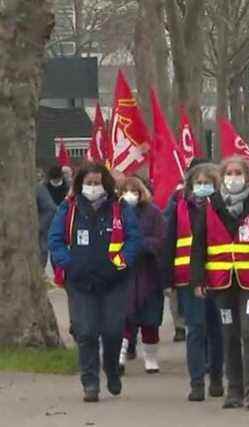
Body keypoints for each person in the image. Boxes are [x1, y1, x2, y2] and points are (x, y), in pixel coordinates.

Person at [191, 156, 249, 411]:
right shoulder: (209, 206)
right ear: (222, 177)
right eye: (228, 172)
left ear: (247, 176)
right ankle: (234, 390)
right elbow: (198, 246)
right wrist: (198, 279)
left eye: (237, 172)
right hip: (221, 284)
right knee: (229, 335)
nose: (233, 177)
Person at [48, 162, 142, 402]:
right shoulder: (68, 209)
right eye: (88, 183)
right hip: (80, 282)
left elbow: (133, 240)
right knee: (86, 332)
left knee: (112, 332)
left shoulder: (120, 209)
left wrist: (119, 264)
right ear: (80, 184)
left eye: (96, 183)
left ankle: (111, 370)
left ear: (105, 184)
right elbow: (56, 240)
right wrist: (69, 265)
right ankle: (90, 382)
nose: (92, 187)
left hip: (114, 281)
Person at [164, 162, 225, 402]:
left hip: (219, 277)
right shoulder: (180, 209)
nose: (202, 187)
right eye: (198, 183)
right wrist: (166, 278)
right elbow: (169, 242)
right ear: (190, 185)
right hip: (187, 278)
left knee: (217, 330)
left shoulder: (224, 208)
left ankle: (217, 376)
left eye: (207, 183)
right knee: (195, 330)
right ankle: (197, 382)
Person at [117, 177, 166, 375]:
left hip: (149, 272)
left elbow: (161, 238)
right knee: (124, 316)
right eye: (125, 190)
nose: (130, 195)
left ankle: (151, 357)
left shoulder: (153, 213)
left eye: (134, 191)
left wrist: (142, 245)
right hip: (124, 272)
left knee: (150, 318)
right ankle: (119, 356)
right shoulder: (115, 212)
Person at [37, 174, 58, 267]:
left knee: (42, 247)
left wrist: (40, 225)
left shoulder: (38, 188)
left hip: (40, 225)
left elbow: (50, 208)